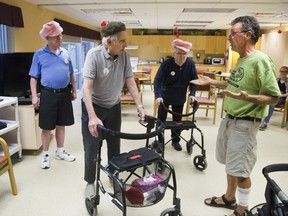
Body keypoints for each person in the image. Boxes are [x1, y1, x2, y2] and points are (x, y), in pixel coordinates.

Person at [190, 16, 281, 216]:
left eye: (233, 33)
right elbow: (235, 84)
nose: (229, 38)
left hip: (246, 124)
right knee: (231, 164)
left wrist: (250, 98)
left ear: (247, 35)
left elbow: (274, 97)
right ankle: (229, 198)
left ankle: (242, 210)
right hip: (231, 119)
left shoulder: (261, 60)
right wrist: (212, 82)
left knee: (240, 169)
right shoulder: (242, 59)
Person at [81, 22, 145, 198]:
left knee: (114, 145)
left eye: (126, 40)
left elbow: (130, 83)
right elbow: (86, 88)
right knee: (91, 147)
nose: (125, 45)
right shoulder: (93, 55)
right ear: (109, 42)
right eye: (122, 41)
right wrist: (92, 117)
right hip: (93, 107)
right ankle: (90, 182)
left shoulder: (124, 56)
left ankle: (113, 175)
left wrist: (140, 106)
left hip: (114, 106)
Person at [29, 21, 77, 169]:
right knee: (46, 127)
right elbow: (33, 77)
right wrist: (34, 96)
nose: (59, 38)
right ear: (48, 38)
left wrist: (74, 90)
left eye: (60, 35)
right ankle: (45, 155)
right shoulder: (39, 55)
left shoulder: (66, 53)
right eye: (56, 36)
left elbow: (71, 73)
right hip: (48, 94)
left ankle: (60, 151)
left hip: (64, 93)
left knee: (61, 124)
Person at [154, 39, 198, 151]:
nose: (181, 56)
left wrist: (192, 94)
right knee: (161, 120)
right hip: (164, 97)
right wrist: (158, 96)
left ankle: (175, 140)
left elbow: (194, 80)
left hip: (179, 97)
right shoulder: (166, 64)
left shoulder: (190, 64)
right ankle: (160, 141)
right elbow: (157, 81)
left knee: (178, 122)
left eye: (184, 54)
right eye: (179, 53)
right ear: (174, 53)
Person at [259, 66, 288, 130]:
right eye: (281, 71)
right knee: (261, 99)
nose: (282, 73)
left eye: (284, 71)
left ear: (287, 73)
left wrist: (280, 95)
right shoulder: (276, 79)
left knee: (271, 104)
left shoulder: (287, 82)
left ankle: (265, 122)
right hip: (274, 95)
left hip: (282, 98)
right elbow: (271, 87)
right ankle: (258, 118)